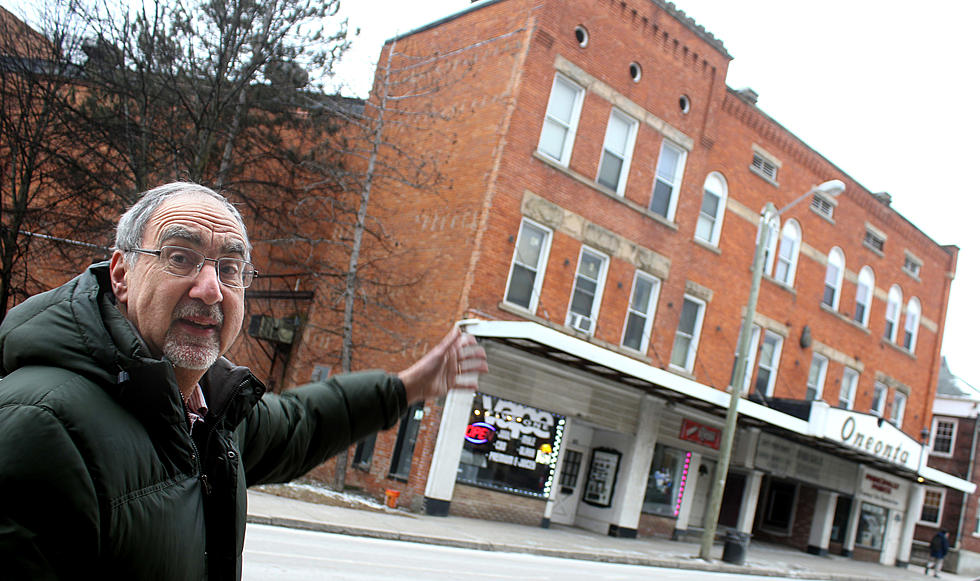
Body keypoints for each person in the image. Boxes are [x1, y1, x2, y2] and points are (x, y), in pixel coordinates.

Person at [0, 182, 488, 580]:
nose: (210, 287)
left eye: (230, 269)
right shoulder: (39, 427)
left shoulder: (207, 412)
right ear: (122, 273)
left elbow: (301, 424)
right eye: (180, 257)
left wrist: (405, 388)